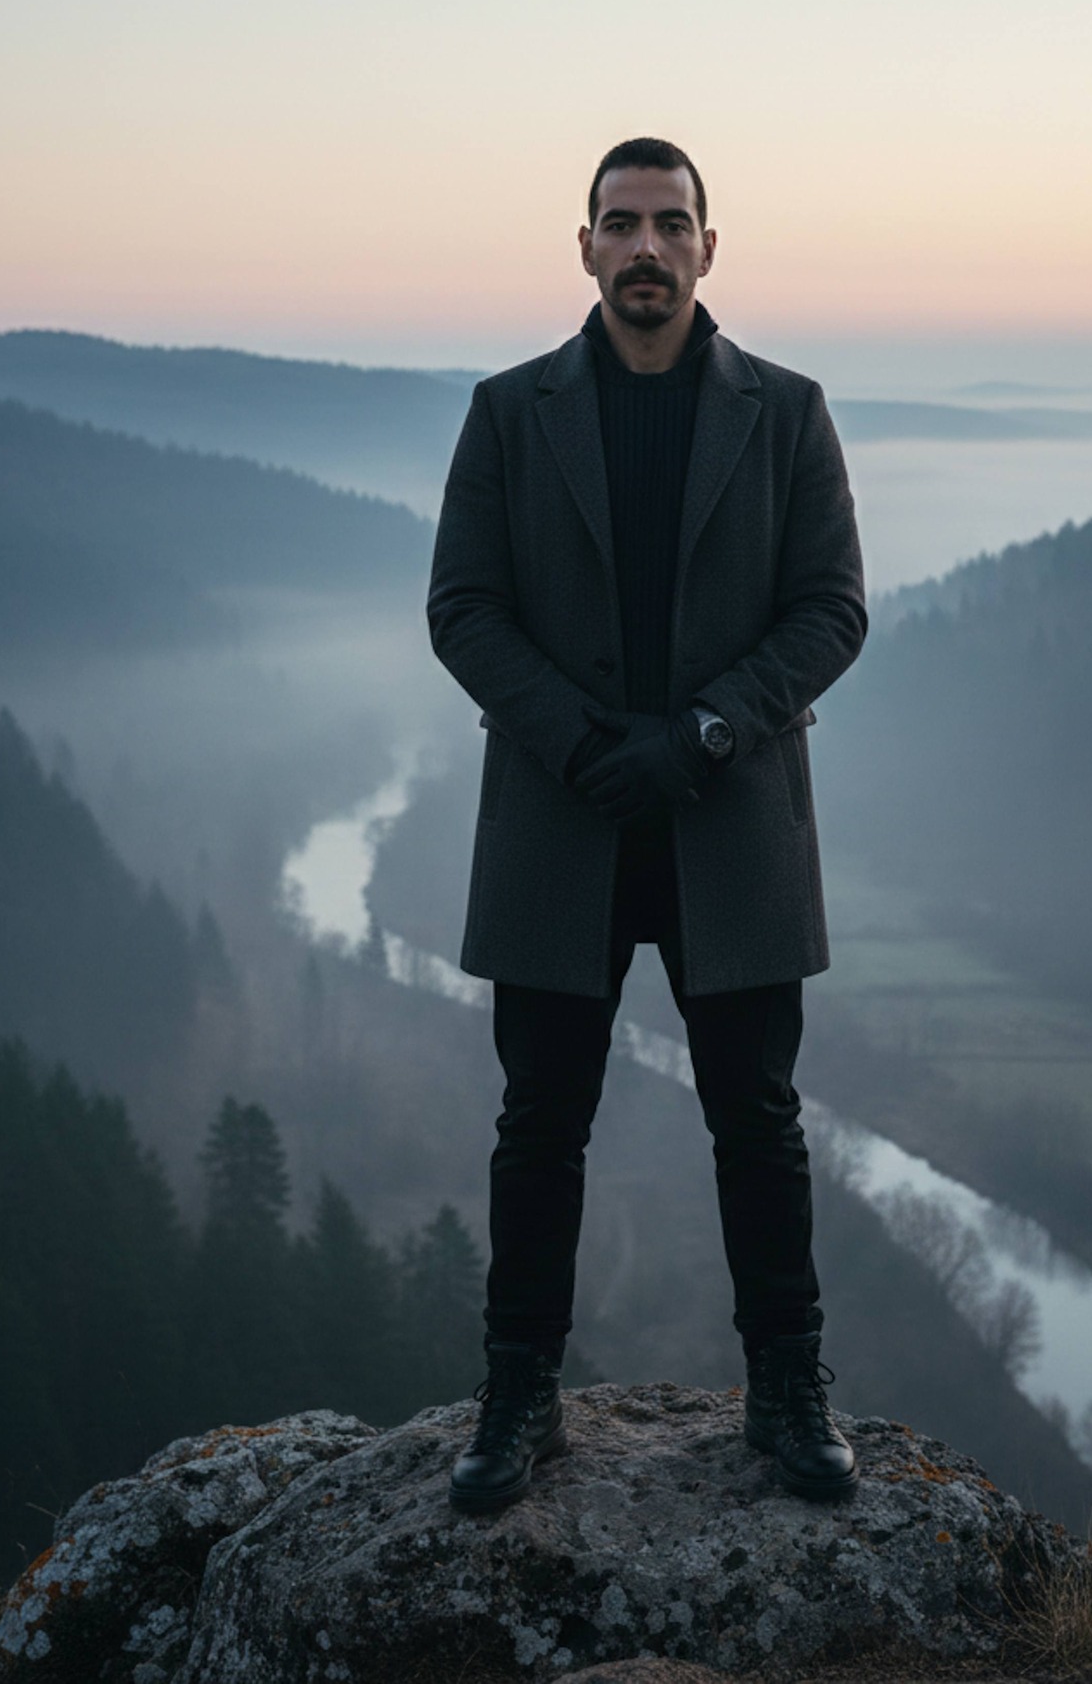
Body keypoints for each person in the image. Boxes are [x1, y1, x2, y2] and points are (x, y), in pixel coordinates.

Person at [426, 137, 868, 1513]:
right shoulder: (509, 413)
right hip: (565, 824)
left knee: (760, 1119)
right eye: (622, 225)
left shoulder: (787, 413)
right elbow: (462, 609)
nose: (645, 249)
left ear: (708, 249)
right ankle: (517, 1401)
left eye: (671, 225)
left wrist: (707, 734)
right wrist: (580, 744)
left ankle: (789, 1399)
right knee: (540, 1122)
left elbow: (833, 610)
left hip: (727, 822)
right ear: (583, 246)